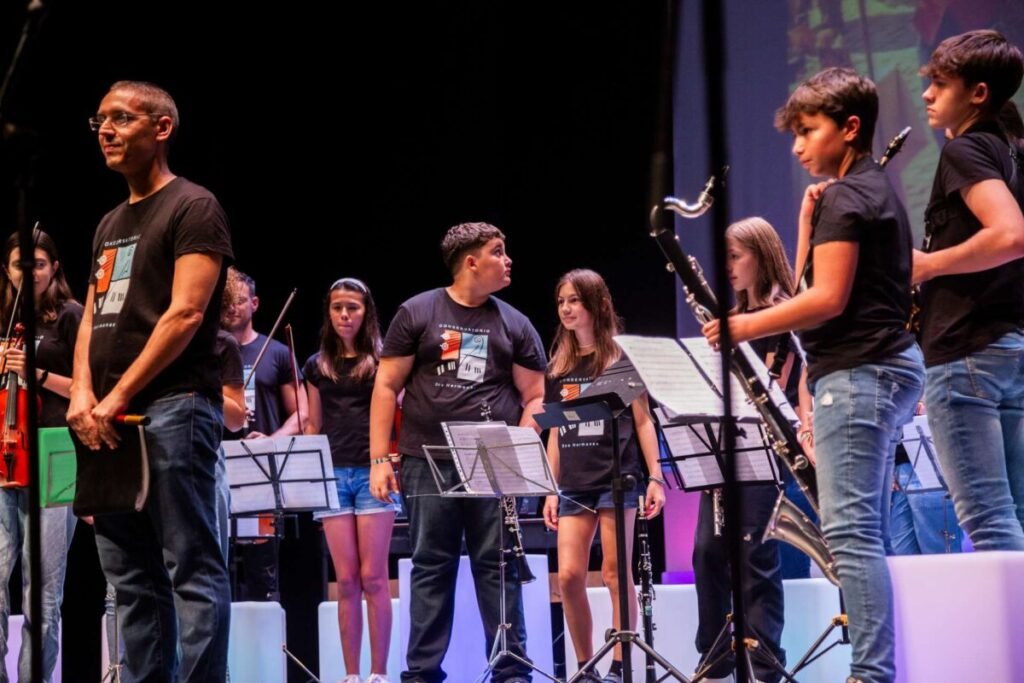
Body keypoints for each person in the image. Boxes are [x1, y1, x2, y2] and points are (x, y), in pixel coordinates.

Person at [703, 67, 924, 683]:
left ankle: (871, 673)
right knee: (864, 533)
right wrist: (804, 227)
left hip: (857, 374)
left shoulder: (851, 197)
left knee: (850, 536)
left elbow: (823, 301)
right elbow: (810, 290)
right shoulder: (866, 191)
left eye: (808, 130)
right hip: (882, 369)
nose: (798, 146)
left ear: (850, 128)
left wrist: (741, 328)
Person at [68, 80, 233, 681]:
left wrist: (114, 397)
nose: (106, 131)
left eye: (122, 119)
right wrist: (85, 394)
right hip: (107, 423)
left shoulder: (194, 206)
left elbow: (185, 314)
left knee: (190, 566)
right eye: (100, 121)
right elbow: (92, 313)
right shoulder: (110, 222)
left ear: (161, 128)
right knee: (129, 577)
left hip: (173, 407)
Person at [368, 222, 547, 683]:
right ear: (471, 262)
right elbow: (387, 385)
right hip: (426, 461)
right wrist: (379, 459)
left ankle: (512, 671)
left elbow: (536, 397)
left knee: (499, 563)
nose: (508, 260)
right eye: (498, 252)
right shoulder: (418, 311)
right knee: (430, 565)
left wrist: (520, 443)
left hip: (493, 463)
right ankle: (422, 673)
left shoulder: (515, 322)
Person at [914, 29, 1024, 550]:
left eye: (939, 83)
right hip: (1008, 349)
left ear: (978, 93)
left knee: (989, 521)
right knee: (1015, 515)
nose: (927, 95)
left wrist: (930, 264)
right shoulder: (1011, 151)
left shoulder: (967, 151)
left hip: (966, 354)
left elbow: (1010, 235)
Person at [540, 268, 665, 683]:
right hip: (574, 482)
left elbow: (644, 422)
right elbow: (556, 430)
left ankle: (620, 663)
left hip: (618, 477)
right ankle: (585, 666)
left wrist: (656, 476)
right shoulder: (558, 366)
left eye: (574, 300)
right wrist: (550, 488)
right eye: (561, 301)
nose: (566, 308)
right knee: (570, 575)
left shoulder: (620, 359)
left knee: (614, 572)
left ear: (596, 304)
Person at [692, 219, 797, 682]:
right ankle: (716, 661)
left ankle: (765, 665)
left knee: (755, 555)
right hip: (722, 447)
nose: (727, 267)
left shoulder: (785, 315)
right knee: (705, 553)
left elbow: (786, 387)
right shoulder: (728, 319)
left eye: (735, 256)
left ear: (762, 254)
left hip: (765, 447)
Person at [304, 277, 395, 683]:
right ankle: (351, 675)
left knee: (375, 577)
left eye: (353, 308)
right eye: (338, 307)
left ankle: (379, 672)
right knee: (346, 580)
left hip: (373, 473)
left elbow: (397, 416)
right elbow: (314, 424)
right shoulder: (315, 366)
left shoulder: (383, 363)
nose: (344, 315)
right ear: (329, 311)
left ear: (366, 312)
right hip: (332, 475)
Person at [0, 230, 81, 682]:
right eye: (18, 265)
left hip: (54, 453)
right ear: (7, 271)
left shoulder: (70, 317)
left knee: (43, 594)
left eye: (38, 264)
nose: (28, 273)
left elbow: (88, 391)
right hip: (3, 456)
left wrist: (39, 373)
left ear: (53, 269)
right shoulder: (2, 318)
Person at [221, 266, 308, 600]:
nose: (232, 308)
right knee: (217, 567)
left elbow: (302, 414)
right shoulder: (210, 350)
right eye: (226, 302)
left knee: (262, 574)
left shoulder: (275, 352)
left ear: (254, 304)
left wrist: (272, 441)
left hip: (259, 474)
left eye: (239, 301)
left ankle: (264, 647)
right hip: (216, 465)